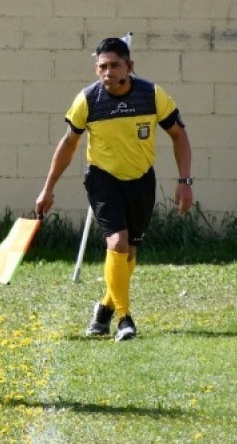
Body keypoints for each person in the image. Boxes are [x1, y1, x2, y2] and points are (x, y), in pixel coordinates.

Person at [34, 37, 194, 341]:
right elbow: (68, 144)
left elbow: (179, 135)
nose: (107, 72)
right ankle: (124, 319)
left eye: (114, 65)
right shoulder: (87, 100)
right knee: (117, 243)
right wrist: (48, 188)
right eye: (102, 66)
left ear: (129, 66)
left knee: (129, 254)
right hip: (102, 179)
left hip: (141, 179)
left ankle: (105, 308)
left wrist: (185, 181)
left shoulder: (152, 95)